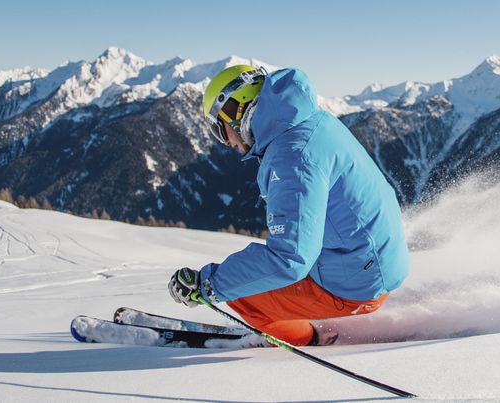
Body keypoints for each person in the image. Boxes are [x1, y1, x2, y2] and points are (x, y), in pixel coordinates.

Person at [167, 65, 410, 346]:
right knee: (260, 272)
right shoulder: (310, 121)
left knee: (244, 293)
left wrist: (208, 284)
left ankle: (309, 339)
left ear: (237, 110)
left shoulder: (294, 157)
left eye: (219, 130)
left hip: (358, 283)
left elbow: (289, 259)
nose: (226, 143)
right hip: (376, 260)